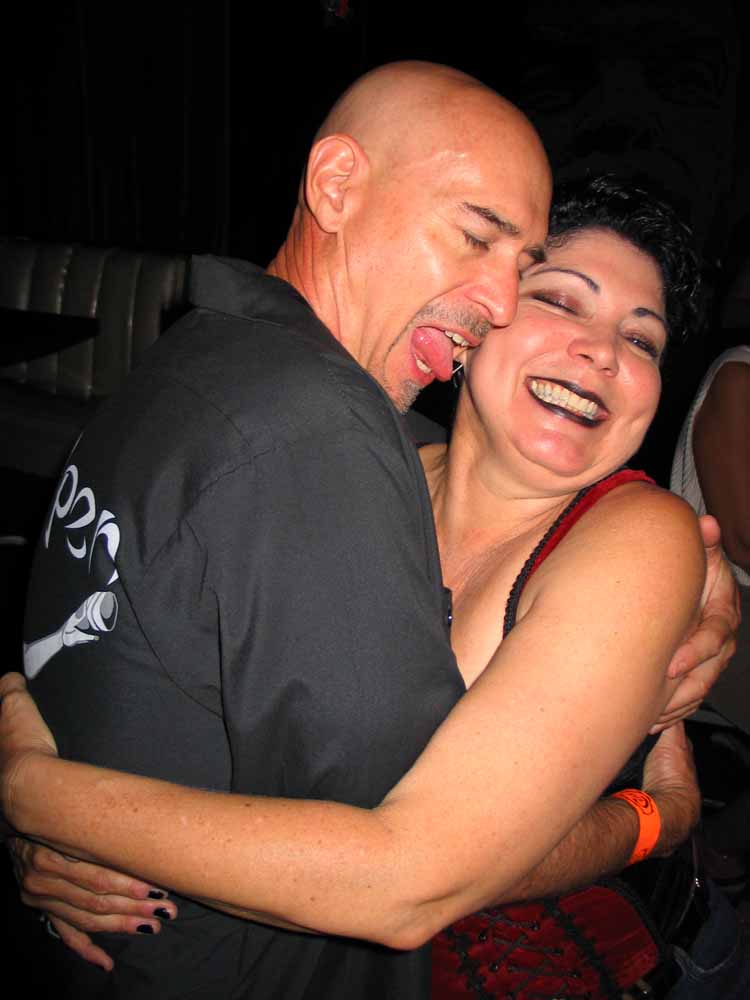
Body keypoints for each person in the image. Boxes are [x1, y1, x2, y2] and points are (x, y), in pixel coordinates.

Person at [1, 176, 744, 1000]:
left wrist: (42, 798)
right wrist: (65, 842)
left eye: (642, 340)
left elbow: (419, 879)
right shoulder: (347, 472)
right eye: (561, 300)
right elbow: (165, 670)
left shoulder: (638, 534)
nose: (605, 352)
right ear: (476, 322)